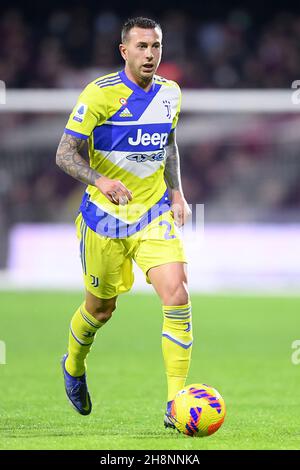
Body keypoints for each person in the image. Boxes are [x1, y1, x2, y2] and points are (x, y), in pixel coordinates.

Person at [56, 16, 192, 428]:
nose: (150, 54)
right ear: (124, 51)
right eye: (142, 47)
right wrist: (101, 180)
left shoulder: (171, 93)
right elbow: (64, 154)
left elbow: (167, 144)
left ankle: (175, 403)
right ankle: (74, 364)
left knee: (178, 296)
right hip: (105, 221)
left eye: (156, 47)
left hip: (152, 214)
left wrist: (176, 191)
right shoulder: (99, 95)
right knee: (101, 309)